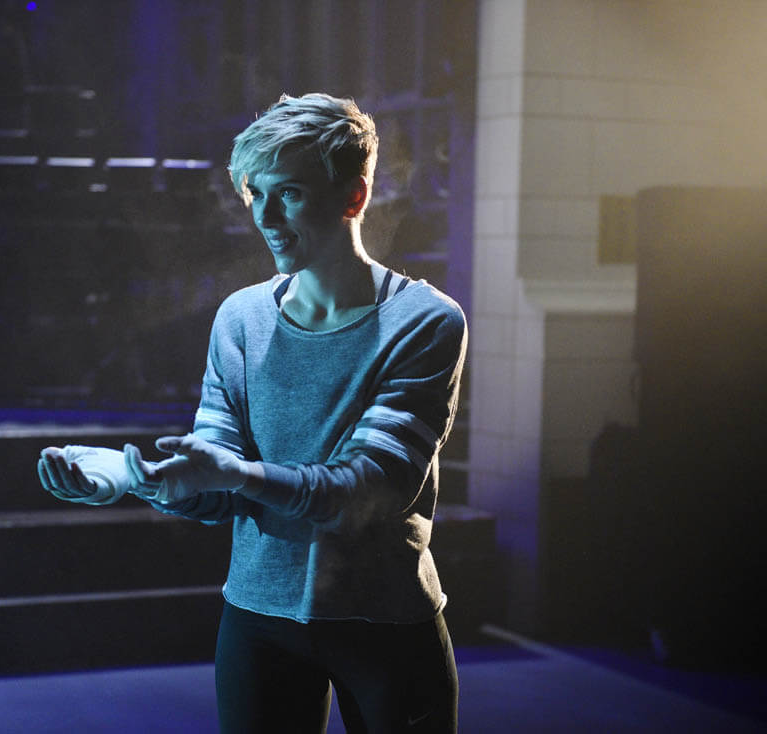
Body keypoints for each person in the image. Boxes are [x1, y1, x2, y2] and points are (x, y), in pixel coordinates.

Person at [38, 92, 467, 733]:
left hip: (385, 623)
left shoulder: (425, 320)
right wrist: (136, 478)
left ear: (353, 196)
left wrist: (235, 475)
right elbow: (215, 484)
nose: (264, 216)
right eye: (253, 193)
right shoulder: (240, 318)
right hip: (259, 621)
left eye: (288, 193)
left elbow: (366, 492)